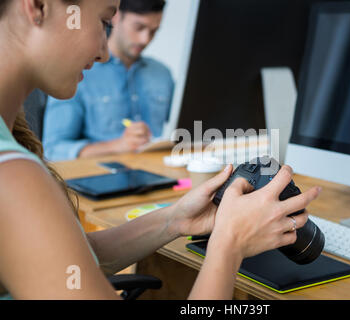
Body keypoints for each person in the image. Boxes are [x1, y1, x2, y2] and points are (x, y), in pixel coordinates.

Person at [0, 0, 321, 300]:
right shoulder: (13, 176)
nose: (103, 53)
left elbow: (69, 258)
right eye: (104, 21)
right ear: (38, 6)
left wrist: (175, 220)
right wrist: (229, 245)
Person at [42, 0, 174, 161]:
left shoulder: (163, 74)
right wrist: (118, 146)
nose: (144, 39)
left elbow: (178, 127)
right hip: (100, 180)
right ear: (116, 16)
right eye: (138, 27)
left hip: (159, 173)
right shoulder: (78, 73)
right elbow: (53, 149)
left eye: (154, 31)